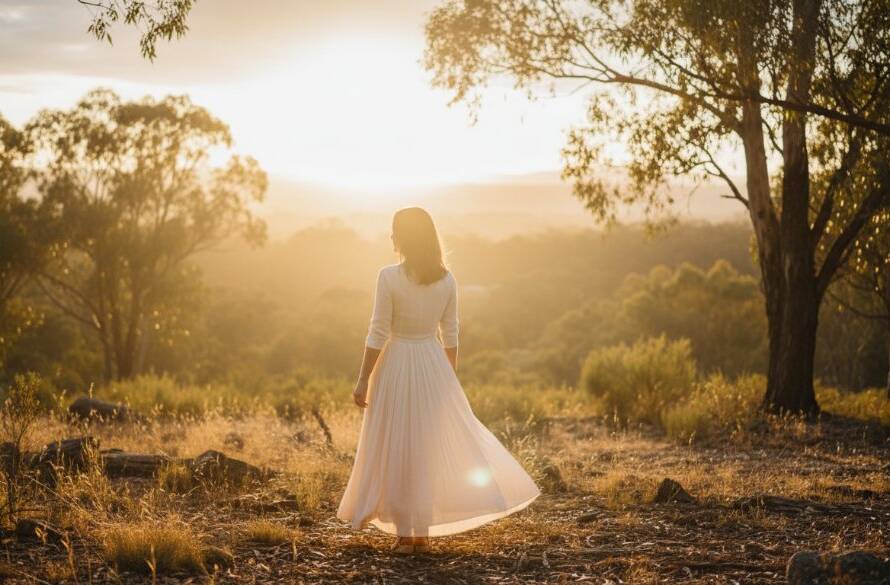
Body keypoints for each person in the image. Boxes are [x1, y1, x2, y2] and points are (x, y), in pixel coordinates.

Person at [337, 207, 541, 554]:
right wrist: (448, 378)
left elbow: (378, 331)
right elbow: (451, 333)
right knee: (424, 447)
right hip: (433, 363)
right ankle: (420, 533)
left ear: (402, 238)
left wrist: (362, 379)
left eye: (394, 231)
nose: (390, 237)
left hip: (398, 362)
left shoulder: (388, 276)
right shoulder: (447, 279)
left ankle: (407, 535)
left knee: (401, 446)